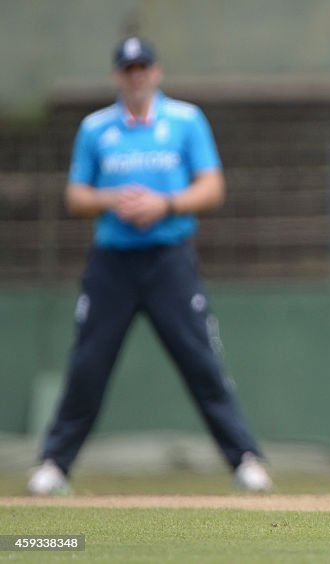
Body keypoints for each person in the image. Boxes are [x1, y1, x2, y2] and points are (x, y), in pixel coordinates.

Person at [26, 37, 271, 495]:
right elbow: (76, 196)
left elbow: (212, 187)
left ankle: (245, 458)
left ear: (156, 72)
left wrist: (166, 204)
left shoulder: (185, 120)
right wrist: (109, 199)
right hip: (112, 264)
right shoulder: (96, 128)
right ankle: (55, 464)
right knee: (89, 364)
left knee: (201, 361)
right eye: (128, 69)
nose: (136, 76)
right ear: (118, 75)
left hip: (169, 261)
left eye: (144, 67)